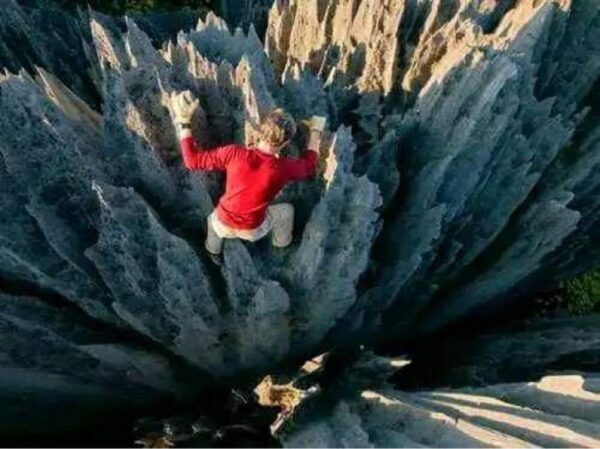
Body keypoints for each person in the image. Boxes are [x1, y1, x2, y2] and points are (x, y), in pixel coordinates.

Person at [171, 91, 324, 256]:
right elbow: (309, 165)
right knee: (286, 211)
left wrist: (184, 123)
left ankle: (213, 252)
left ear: (260, 131)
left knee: (212, 223)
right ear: (285, 143)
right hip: (253, 230)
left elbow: (192, 161)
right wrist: (316, 131)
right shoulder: (283, 168)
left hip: (223, 223)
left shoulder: (234, 154)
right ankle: (281, 246)